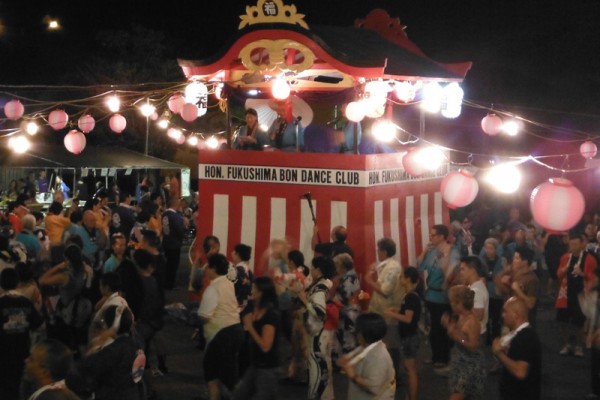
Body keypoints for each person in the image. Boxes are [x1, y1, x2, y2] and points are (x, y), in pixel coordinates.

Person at [67, 305, 145, 400]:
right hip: (134, 394)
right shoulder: (138, 343)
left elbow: (81, 371)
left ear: (112, 325)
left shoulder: (113, 351)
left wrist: (95, 346)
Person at [198, 253, 244, 400]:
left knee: (213, 374)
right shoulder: (228, 283)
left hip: (221, 335)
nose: (205, 269)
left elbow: (205, 316)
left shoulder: (213, 288)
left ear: (214, 268)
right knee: (225, 373)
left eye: (208, 266)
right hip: (236, 329)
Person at [292, 255, 336, 400]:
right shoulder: (322, 284)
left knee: (316, 371)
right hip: (320, 333)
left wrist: (304, 299)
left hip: (318, 334)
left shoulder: (319, 288)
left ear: (318, 270)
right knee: (320, 369)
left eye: (312, 267)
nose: (310, 269)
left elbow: (320, 312)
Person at [417, 224, 459, 369]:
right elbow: (418, 266)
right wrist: (424, 252)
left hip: (443, 296)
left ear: (442, 237)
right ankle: (435, 355)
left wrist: (444, 259)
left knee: (442, 327)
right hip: (431, 295)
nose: (431, 237)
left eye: (433, 235)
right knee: (432, 327)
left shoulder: (452, 251)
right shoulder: (432, 251)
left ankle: (444, 357)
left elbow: (451, 273)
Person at [233, 276, 280, 400]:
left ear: (262, 293)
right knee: (239, 395)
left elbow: (265, 346)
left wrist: (250, 326)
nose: (251, 291)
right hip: (255, 364)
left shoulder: (271, 315)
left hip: (267, 368)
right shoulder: (254, 308)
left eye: (254, 288)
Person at [0, 268, 43, 399]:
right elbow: (39, 325)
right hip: (22, 352)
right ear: (18, 283)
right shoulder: (26, 302)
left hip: (3, 354)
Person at [556, 233, 598, 357]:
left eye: (575, 244)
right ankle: (567, 344)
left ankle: (579, 346)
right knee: (562, 321)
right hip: (565, 293)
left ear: (581, 244)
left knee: (579, 322)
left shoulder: (590, 259)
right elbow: (558, 275)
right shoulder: (565, 257)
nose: (572, 246)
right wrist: (563, 270)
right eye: (571, 244)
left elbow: (595, 279)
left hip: (580, 294)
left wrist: (583, 274)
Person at [441, 285, 487, 400]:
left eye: (453, 302)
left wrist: (455, 335)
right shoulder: (460, 316)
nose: (451, 304)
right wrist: (450, 327)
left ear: (460, 303)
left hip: (469, 365)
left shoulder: (472, 321)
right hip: (459, 362)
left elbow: (472, 346)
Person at [492, 297, 542, 400]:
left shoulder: (525, 337)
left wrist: (499, 353)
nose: (502, 315)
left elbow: (520, 372)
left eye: (505, 312)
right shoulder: (520, 335)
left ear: (516, 315)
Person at [338, 312, 396, 400]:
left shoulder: (378, 356)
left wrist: (353, 376)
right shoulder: (365, 346)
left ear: (363, 335)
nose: (355, 334)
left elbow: (373, 387)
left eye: (357, 331)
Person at [384, 267, 421, 400]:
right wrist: (398, 310)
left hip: (410, 336)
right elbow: (408, 313)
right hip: (409, 335)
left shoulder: (410, 296)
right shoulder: (410, 295)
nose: (400, 279)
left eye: (402, 277)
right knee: (409, 368)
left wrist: (392, 313)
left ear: (408, 279)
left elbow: (408, 318)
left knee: (410, 370)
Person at [333, 253, 361, 354]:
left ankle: (347, 366)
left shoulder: (349, 278)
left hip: (348, 312)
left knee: (348, 342)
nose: (335, 268)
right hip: (347, 311)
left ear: (342, 266)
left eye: (337, 265)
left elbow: (346, 296)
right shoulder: (348, 276)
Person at [162, 196, 184, 290]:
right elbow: (180, 230)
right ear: (176, 205)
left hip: (166, 242)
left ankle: (167, 282)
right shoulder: (175, 216)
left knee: (168, 265)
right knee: (173, 265)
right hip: (174, 244)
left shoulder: (164, 214)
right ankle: (170, 284)